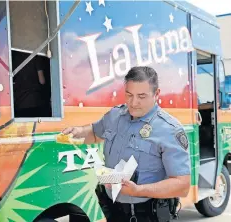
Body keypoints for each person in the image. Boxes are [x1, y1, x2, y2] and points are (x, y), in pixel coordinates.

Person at [62, 66, 191, 222]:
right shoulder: (115, 115)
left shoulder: (170, 130)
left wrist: (138, 190)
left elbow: (182, 185)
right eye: (129, 95)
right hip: (114, 210)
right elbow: (95, 134)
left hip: (149, 214)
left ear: (156, 94)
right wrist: (78, 131)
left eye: (141, 96)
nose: (133, 102)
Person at [13, 52, 51, 117]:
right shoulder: (37, 56)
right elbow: (42, 81)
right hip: (35, 102)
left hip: (19, 102)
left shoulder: (15, 55)